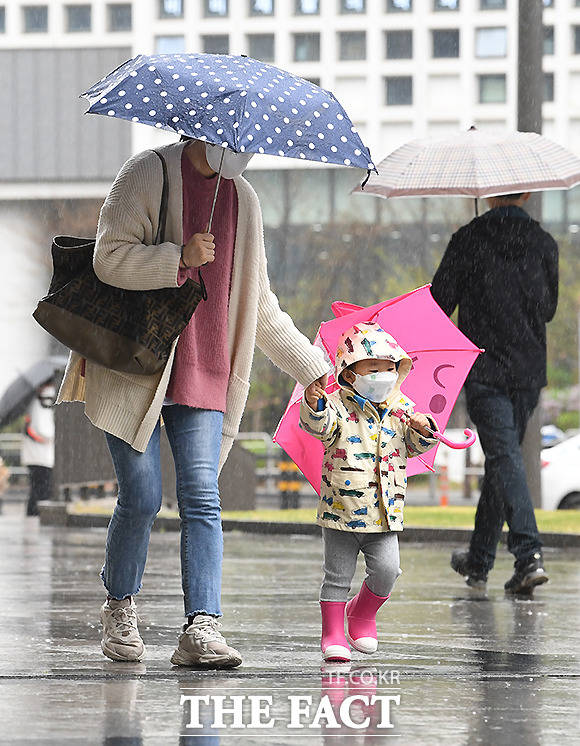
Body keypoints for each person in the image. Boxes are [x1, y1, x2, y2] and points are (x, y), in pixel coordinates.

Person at [56, 138, 330, 668]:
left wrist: (314, 369)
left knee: (202, 494)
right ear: (202, 128)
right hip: (135, 363)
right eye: (234, 137)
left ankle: (201, 627)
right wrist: (176, 257)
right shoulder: (146, 173)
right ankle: (119, 604)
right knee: (141, 496)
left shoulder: (244, 200)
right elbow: (107, 258)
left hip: (206, 366)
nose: (242, 148)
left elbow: (258, 303)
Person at [431, 192, 558, 594]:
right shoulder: (543, 242)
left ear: (487, 196)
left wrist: (470, 265)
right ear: (526, 194)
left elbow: (439, 303)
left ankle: (528, 555)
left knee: (504, 460)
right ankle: (479, 560)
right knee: (505, 461)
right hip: (527, 371)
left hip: (484, 368)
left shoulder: (469, 238)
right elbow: (548, 307)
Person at [299, 322, 438, 661]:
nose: (383, 375)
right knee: (337, 576)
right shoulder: (336, 407)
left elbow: (414, 445)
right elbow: (322, 428)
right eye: (373, 369)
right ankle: (332, 633)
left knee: (388, 570)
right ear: (349, 374)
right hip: (340, 511)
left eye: (390, 368)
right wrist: (314, 404)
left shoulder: (402, 409)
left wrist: (424, 430)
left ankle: (361, 614)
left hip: (385, 513)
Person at [22, 383, 55, 516]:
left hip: (38, 456)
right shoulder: (39, 404)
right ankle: (35, 513)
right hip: (40, 456)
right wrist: (45, 439)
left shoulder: (33, 403)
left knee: (38, 487)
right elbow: (32, 429)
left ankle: (34, 513)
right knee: (40, 487)